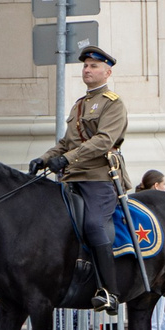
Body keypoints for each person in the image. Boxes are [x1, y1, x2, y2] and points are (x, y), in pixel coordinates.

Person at [31, 44, 134, 310]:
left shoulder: (114, 103)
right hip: (70, 178)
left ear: (107, 72)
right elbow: (65, 142)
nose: (87, 70)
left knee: (93, 225)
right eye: (85, 66)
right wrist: (43, 158)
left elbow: (103, 141)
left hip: (98, 177)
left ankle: (110, 292)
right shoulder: (79, 105)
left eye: (94, 66)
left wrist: (66, 159)